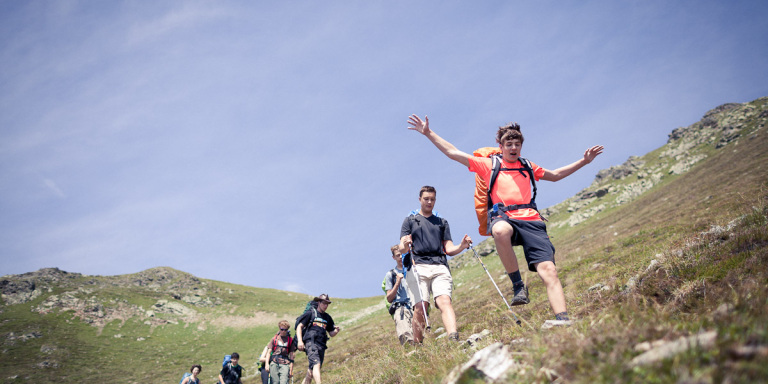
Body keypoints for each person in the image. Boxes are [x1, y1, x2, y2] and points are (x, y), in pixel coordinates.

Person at [407, 114, 604, 322]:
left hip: (531, 220)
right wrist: (428, 133)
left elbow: (554, 175)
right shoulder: (489, 165)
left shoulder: (527, 166)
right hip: (504, 216)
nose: (513, 147)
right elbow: (453, 153)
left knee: (549, 270)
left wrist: (584, 161)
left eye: (517, 144)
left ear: (521, 146)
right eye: (508, 144)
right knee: (500, 230)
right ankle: (518, 284)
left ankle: (563, 319)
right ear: (500, 146)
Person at [399, 185, 472, 343]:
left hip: (439, 266)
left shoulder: (441, 222)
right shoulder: (410, 221)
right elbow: (401, 247)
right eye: (426, 199)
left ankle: (453, 337)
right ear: (420, 200)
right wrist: (405, 243)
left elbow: (449, 248)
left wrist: (462, 246)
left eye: (432, 199)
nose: (429, 202)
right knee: (421, 307)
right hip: (418, 266)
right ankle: (418, 345)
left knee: (444, 301)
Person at [296, 294, 341, 384]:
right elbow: (299, 326)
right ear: (319, 302)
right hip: (311, 342)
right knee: (316, 364)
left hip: (322, 345)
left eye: (327, 304)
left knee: (311, 370)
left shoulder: (327, 317)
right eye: (324, 303)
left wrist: (336, 331)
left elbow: (331, 333)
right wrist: (300, 341)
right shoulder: (311, 313)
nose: (326, 306)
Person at [384, 244, 414, 345]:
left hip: (415, 306)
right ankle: (411, 355)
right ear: (393, 257)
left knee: (420, 335)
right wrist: (397, 282)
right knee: (405, 335)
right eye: (397, 255)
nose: (400, 257)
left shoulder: (413, 269)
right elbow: (389, 298)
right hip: (401, 308)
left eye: (402, 254)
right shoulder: (391, 274)